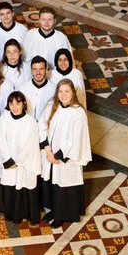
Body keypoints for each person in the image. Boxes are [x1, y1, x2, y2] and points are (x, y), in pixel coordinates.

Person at [39, 79, 91, 228]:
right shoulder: (53, 107)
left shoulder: (78, 113)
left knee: (64, 186)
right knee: (53, 184)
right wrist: (48, 150)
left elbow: (74, 139)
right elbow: (41, 124)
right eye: (60, 91)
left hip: (66, 159)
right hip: (51, 155)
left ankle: (61, 215)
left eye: (67, 91)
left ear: (73, 93)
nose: (63, 95)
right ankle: (55, 210)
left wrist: (57, 156)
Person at [0, 91, 41, 224]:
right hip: (8, 161)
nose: (14, 107)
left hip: (24, 163)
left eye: (18, 103)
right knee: (10, 187)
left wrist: (16, 161)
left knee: (24, 186)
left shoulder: (30, 122)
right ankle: (11, 214)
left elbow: (27, 146)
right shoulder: (3, 118)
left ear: (24, 104)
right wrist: (8, 160)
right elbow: (0, 140)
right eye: (11, 103)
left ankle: (26, 214)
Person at [16, 56, 56, 121]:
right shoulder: (22, 88)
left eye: (41, 69)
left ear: (46, 70)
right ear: (31, 70)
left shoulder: (54, 89)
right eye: (35, 69)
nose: (38, 73)